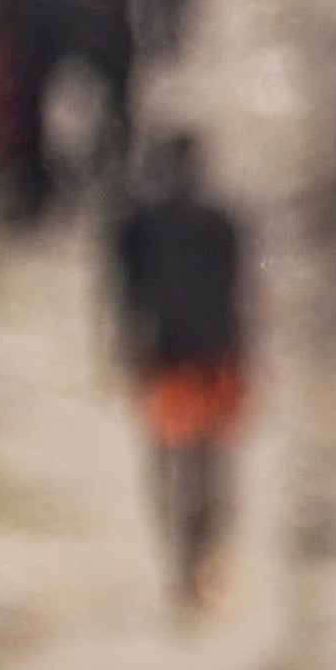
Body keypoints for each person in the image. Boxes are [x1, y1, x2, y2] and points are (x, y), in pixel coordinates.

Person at [108, 131, 251, 614]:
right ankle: (198, 559)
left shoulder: (138, 223)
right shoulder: (221, 221)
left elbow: (126, 297)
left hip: (167, 356)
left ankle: (183, 564)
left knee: (168, 462)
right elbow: (240, 295)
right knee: (208, 463)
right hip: (212, 354)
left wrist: (124, 350)